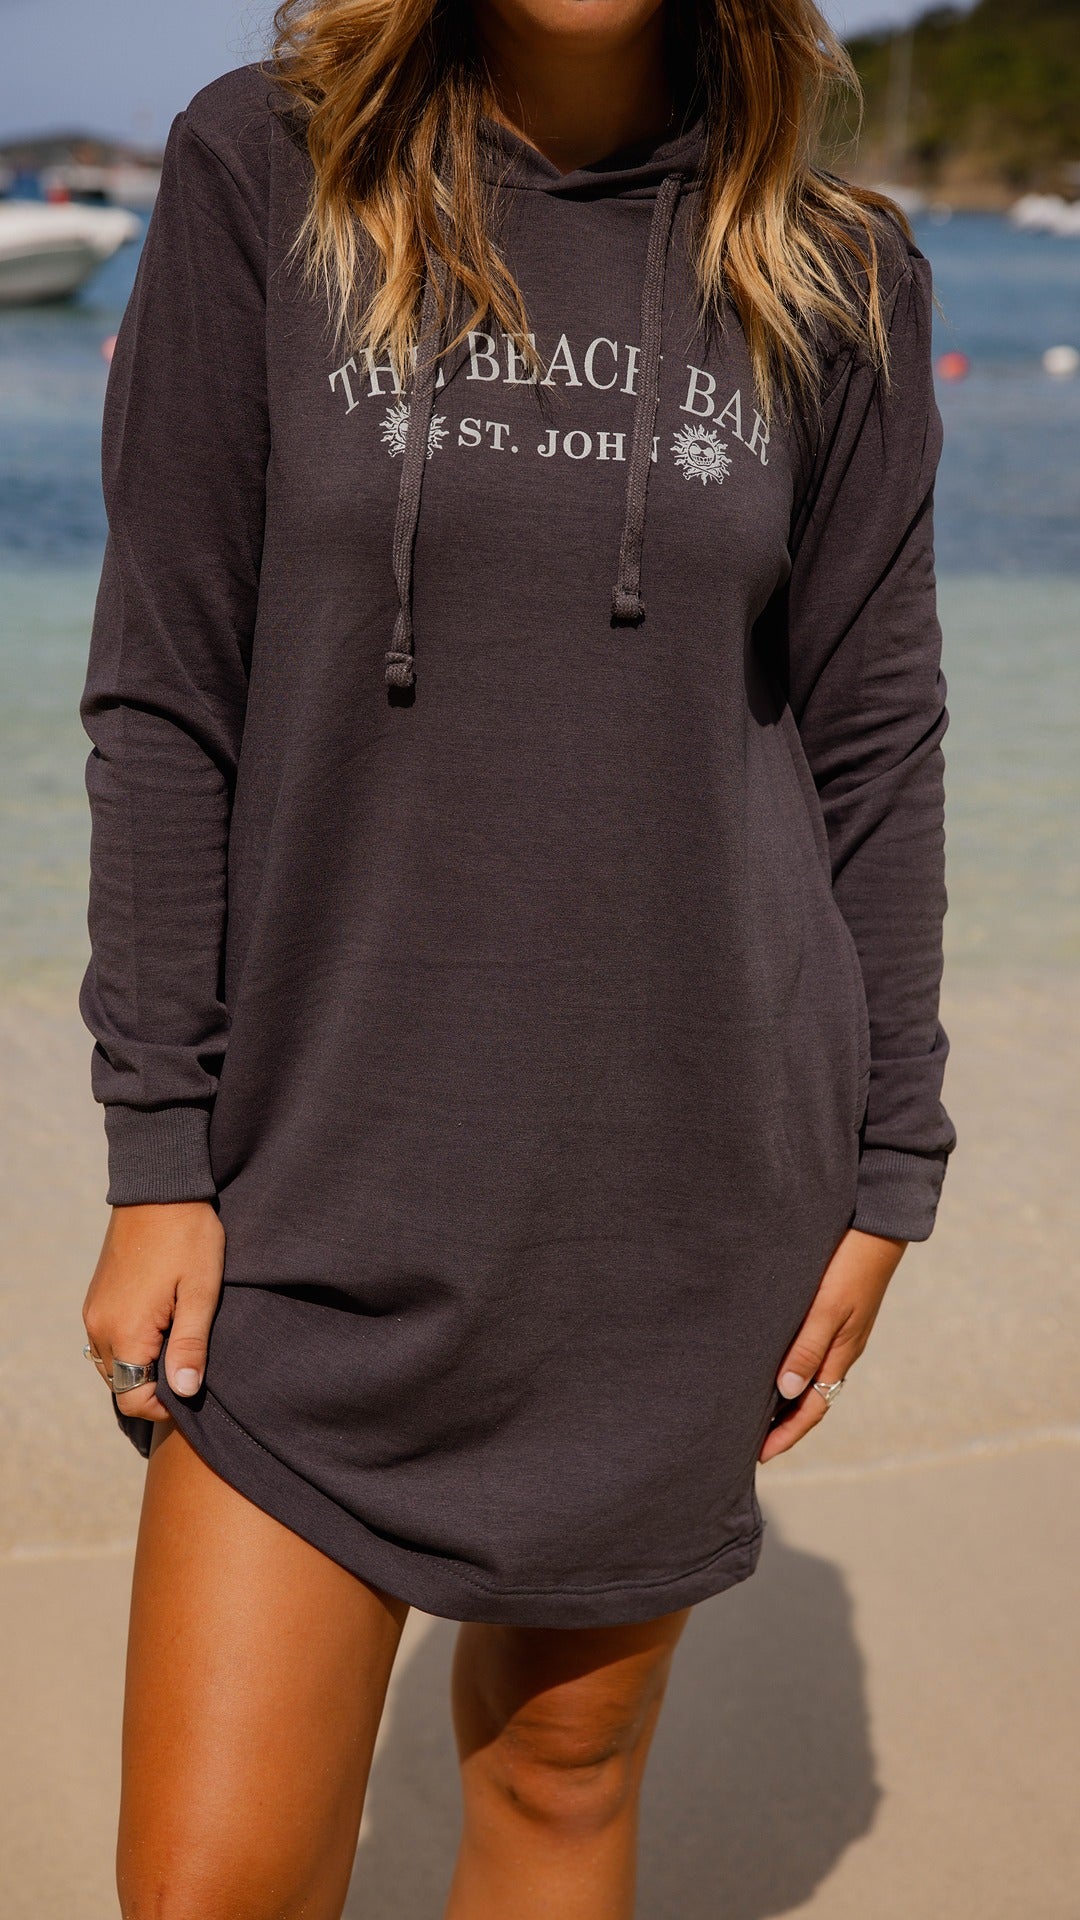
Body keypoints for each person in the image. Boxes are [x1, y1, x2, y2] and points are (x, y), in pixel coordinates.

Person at [78, 0, 955, 1911]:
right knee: (212, 1883)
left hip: (677, 1187)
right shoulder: (267, 171)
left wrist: (894, 1166)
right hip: (310, 1175)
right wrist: (158, 1151)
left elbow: (877, 744)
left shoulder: (836, 272)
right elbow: (164, 692)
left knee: (562, 1780)